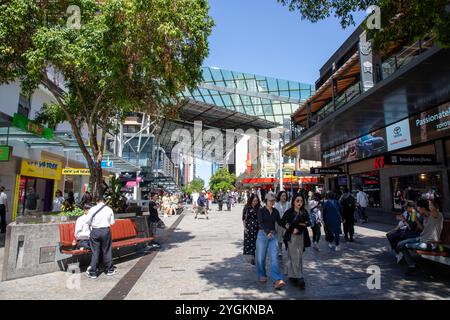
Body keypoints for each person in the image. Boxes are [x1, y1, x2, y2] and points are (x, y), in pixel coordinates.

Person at [397, 199, 443, 275]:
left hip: (430, 243)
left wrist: (430, 203)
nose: (417, 209)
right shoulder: (425, 217)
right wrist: (417, 221)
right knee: (400, 244)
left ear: (423, 208)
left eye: (418, 207)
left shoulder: (437, 215)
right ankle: (412, 265)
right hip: (421, 239)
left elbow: (434, 211)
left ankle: (412, 266)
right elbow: (424, 230)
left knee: (404, 245)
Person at [255, 192, 285, 290]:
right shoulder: (261, 211)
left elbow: (280, 222)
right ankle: (262, 274)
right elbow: (260, 223)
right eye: (270, 201)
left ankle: (277, 279)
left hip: (273, 236)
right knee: (260, 257)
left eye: (273, 201)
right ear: (266, 201)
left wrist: (287, 225)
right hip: (262, 235)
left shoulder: (275, 211)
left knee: (274, 258)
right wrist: (267, 232)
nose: (272, 202)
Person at [281, 193, 310, 289]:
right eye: (297, 201)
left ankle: (292, 275)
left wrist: (299, 227)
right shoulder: (289, 212)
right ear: (293, 201)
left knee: (299, 256)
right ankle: (299, 277)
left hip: (301, 237)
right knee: (294, 256)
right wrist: (289, 228)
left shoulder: (304, 212)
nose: (299, 203)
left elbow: (308, 223)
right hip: (291, 238)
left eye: (301, 201)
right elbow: (282, 221)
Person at [85, 197, 116, 279]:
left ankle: (93, 272)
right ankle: (109, 270)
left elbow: (87, 221)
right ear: (104, 201)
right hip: (106, 231)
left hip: (95, 231)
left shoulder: (92, 209)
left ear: (96, 201)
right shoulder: (109, 209)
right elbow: (112, 222)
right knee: (107, 250)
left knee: (95, 251)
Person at [242, 194, 261, 265]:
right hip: (249, 227)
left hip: (258, 227)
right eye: (253, 201)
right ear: (251, 200)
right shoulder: (247, 207)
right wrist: (245, 228)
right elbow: (244, 218)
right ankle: (253, 256)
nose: (255, 202)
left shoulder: (259, 207)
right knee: (250, 243)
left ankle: (257, 256)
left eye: (256, 201)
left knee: (258, 242)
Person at [274, 190, 291, 258]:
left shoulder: (289, 204)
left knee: (288, 238)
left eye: (285, 196)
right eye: (283, 196)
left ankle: (289, 249)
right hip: (279, 223)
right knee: (279, 238)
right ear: (280, 197)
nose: (284, 197)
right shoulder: (276, 204)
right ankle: (280, 250)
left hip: (287, 224)